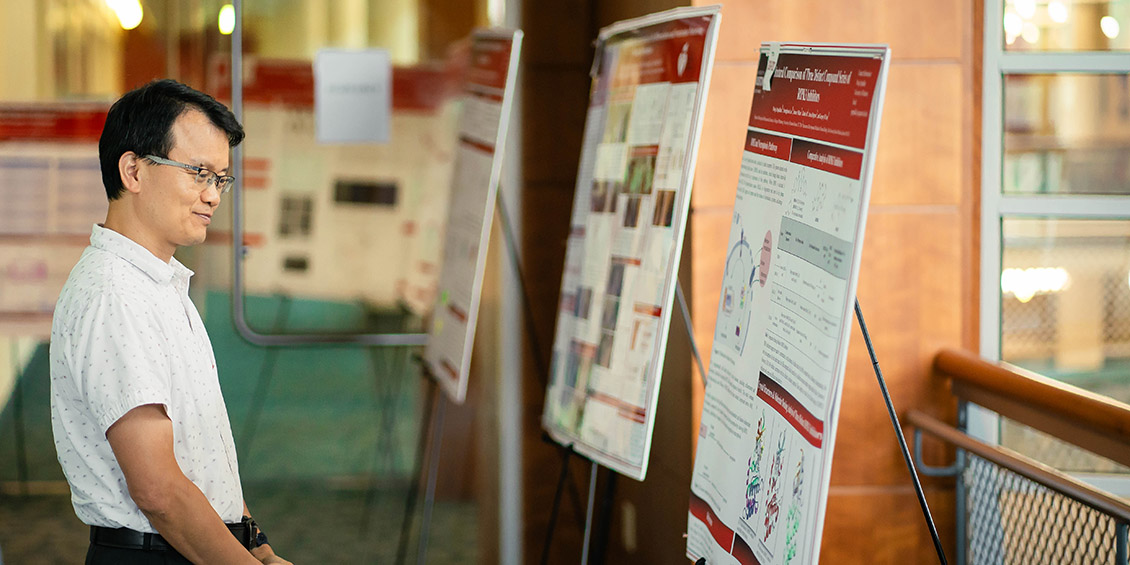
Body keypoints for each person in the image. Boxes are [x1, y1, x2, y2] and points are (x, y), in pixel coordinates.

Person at [49, 79, 291, 565]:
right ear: (133, 170)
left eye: (221, 178)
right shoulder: (114, 295)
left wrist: (256, 544)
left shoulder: (158, 284)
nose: (213, 195)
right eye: (198, 173)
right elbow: (158, 489)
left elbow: (201, 455)